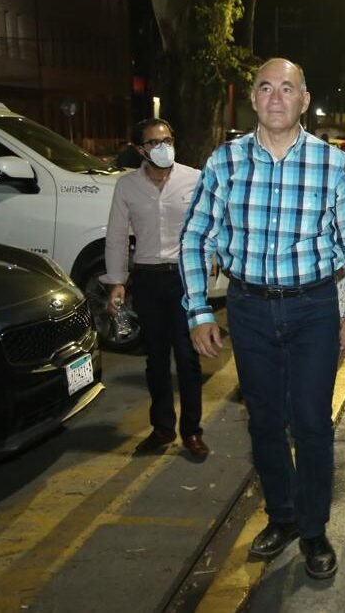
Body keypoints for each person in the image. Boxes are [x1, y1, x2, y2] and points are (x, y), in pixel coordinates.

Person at [180, 58, 345, 580]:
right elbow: (195, 237)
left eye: (287, 88)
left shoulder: (333, 164)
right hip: (248, 308)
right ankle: (282, 517)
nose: (275, 97)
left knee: (311, 422)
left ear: (304, 100)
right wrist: (198, 309)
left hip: (313, 308)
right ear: (253, 99)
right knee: (264, 420)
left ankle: (313, 529)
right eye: (265, 87)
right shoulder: (225, 162)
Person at [103, 118, 207, 459]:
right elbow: (117, 236)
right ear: (140, 149)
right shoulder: (127, 186)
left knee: (188, 358)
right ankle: (162, 428)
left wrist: (209, 263)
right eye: (154, 142)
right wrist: (117, 281)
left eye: (167, 140)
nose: (163, 147)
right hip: (147, 279)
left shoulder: (194, 179)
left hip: (184, 278)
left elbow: (208, 225)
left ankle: (192, 431)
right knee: (156, 359)